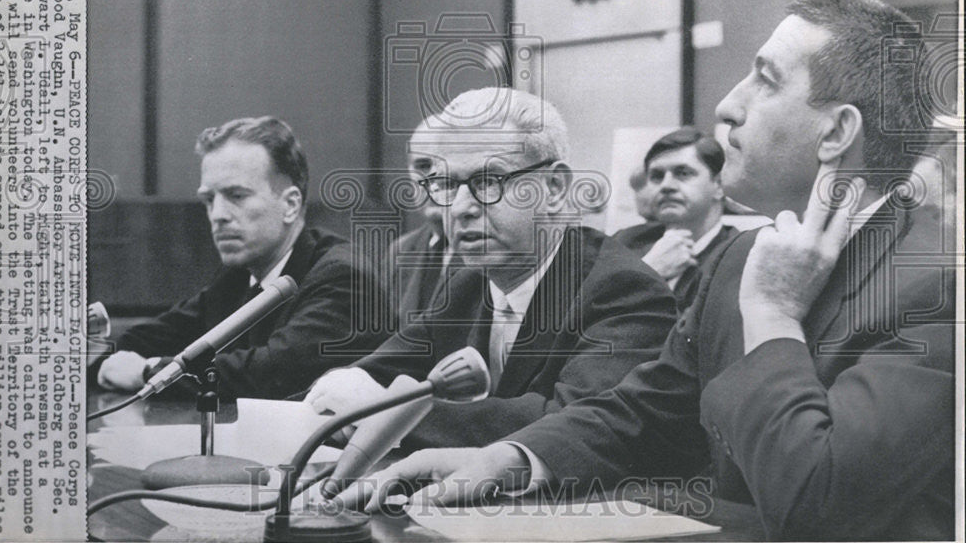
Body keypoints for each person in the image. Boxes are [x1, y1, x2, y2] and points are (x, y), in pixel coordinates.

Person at [344, 0, 956, 541]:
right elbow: (646, 414)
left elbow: (814, 503)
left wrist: (772, 316)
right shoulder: (742, 258)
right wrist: (508, 458)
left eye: (764, 81)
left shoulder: (942, 286)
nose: (726, 107)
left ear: (836, 133)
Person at [305, 87, 679, 450]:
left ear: (553, 187)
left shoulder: (623, 288)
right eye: (447, 184)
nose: (461, 208)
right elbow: (377, 370)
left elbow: (571, 422)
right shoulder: (469, 280)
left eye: (488, 181)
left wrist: (388, 415)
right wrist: (343, 384)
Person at [93, 116, 390, 399]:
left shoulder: (344, 277)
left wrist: (147, 371)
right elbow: (154, 336)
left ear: (290, 205)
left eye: (236, 196)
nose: (218, 216)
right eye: (209, 200)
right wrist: (96, 357)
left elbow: (269, 375)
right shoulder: (240, 274)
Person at [613, 127, 738, 311]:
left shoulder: (737, 255)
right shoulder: (623, 243)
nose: (666, 185)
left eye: (683, 173)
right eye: (657, 176)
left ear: (719, 185)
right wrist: (650, 271)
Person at [382, 119, 456, 328]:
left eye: (445, 165)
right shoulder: (400, 252)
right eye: (423, 166)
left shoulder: (484, 250)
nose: (434, 180)